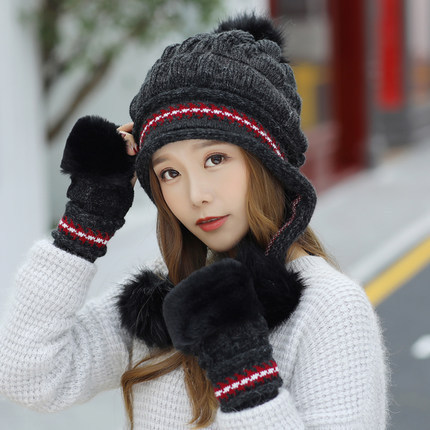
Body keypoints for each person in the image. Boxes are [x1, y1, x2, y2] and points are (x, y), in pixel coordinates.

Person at [0, 13, 390, 429]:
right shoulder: (164, 297)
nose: (195, 195)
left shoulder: (329, 308)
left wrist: (245, 375)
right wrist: (85, 221)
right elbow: (30, 377)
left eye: (215, 159)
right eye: (170, 172)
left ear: (269, 162)